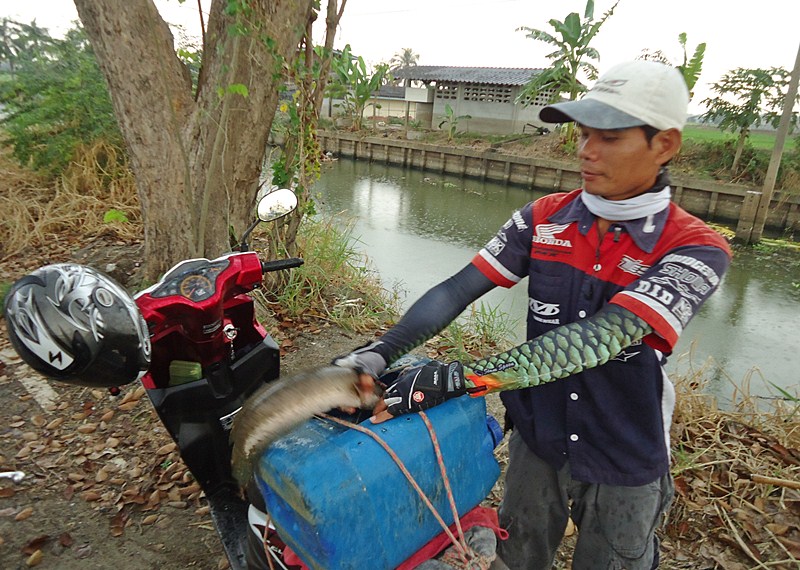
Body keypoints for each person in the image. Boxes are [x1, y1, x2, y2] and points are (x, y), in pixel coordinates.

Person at [334, 60, 732, 569]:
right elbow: (458, 288)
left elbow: (597, 339)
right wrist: (379, 352)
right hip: (537, 440)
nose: (586, 151)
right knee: (517, 558)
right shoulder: (544, 219)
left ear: (665, 145)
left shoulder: (695, 248)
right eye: (584, 134)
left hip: (624, 452)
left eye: (608, 138)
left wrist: (457, 379)